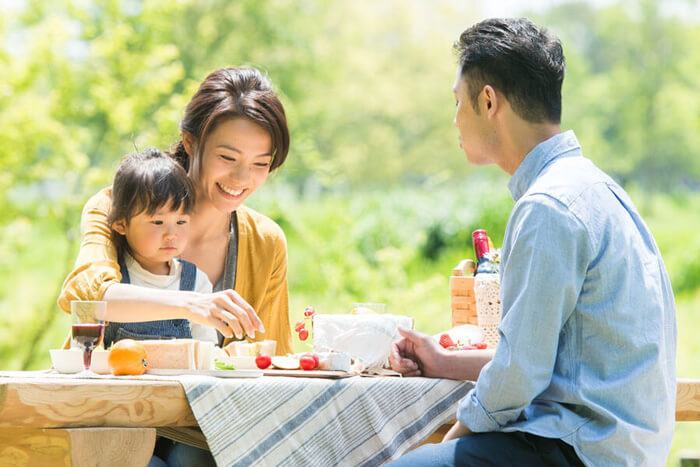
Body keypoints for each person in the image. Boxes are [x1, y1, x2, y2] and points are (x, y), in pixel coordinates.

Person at [389, 18, 676, 466]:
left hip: (580, 449)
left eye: (457, 102)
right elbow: (535, 356)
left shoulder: (549, 206)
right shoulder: (595, 188)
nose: (453, 119)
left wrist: (450, 441)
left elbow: (519, 377)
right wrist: (443, 359)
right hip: (620, 446)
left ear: (488, 102)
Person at [58, 67, 294, 466]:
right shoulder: (116, 209)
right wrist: (192, 305)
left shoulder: (264, 242)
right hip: (110, 419)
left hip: (206, 429)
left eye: (260, 164)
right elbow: (88, 298)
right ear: (190, 141)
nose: (242, 179)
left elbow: (270, 358)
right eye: (227, 157)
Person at [101, 147, 218, 346]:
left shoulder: (196, 282)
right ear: (121, 224)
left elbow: (207, 352)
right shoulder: (112, 277)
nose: (171, 235)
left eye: (181, 222)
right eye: (157, 222)